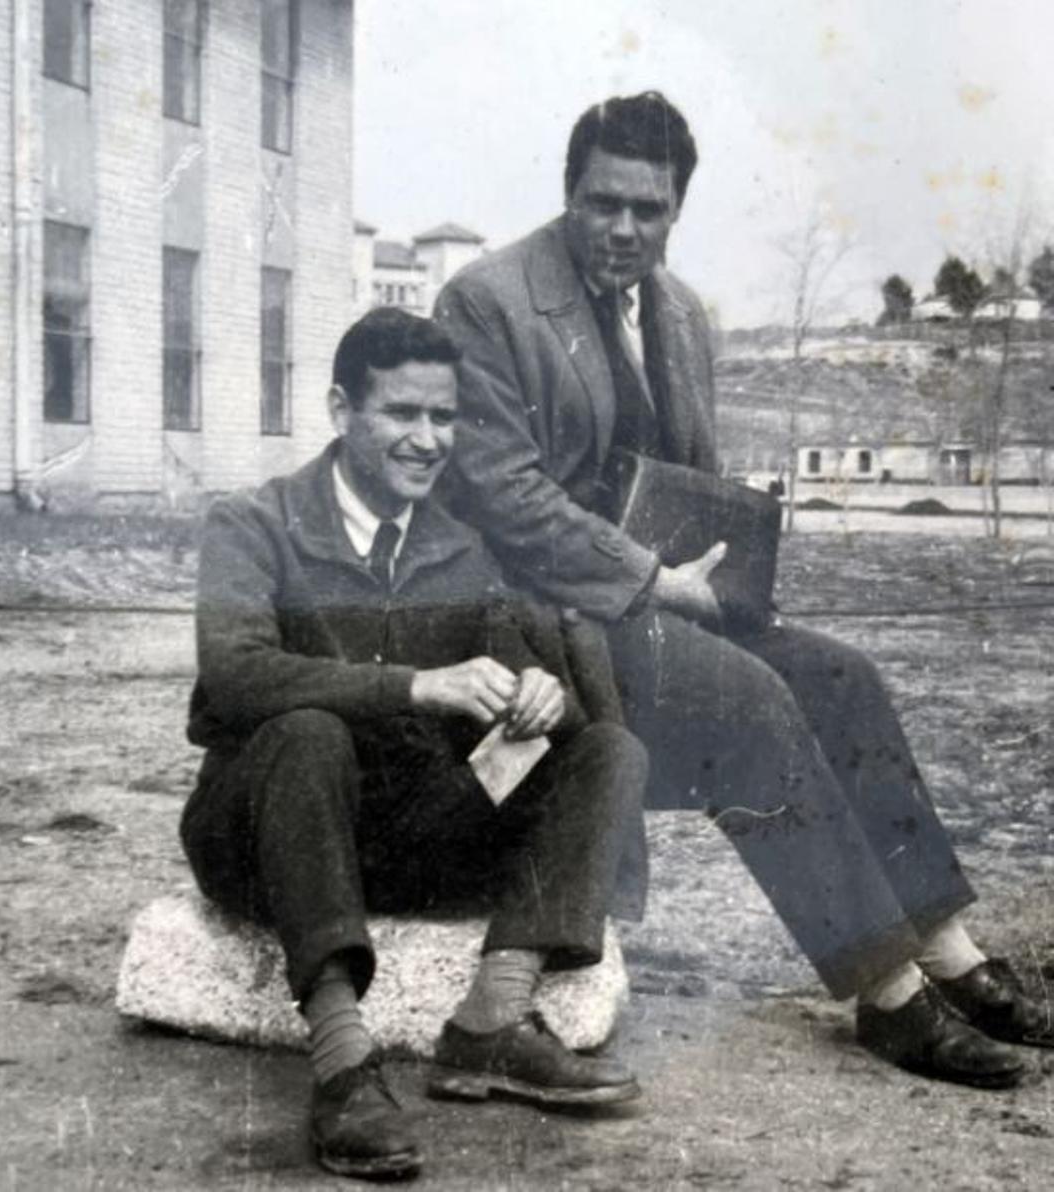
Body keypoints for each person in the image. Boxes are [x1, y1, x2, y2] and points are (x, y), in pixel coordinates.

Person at [434, 91, 1052, 1089]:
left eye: (650, 209)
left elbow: (691, 482)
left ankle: (946, 946)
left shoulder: (680, 313)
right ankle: (886, 993)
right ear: (568, 193)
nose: (625, 230)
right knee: (750, 702)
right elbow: (502, 495)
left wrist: (729, 563)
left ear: (678, 207)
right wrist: (649, 578)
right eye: (603, 205)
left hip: (659, 605)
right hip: (539, 624)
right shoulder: (488, 302)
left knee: (840, 676)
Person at [180, 307, 650, 1181]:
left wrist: (542, 696)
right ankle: (343, 1063)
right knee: (309, 733)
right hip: (264, 832)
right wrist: (414, 685)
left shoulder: (458, 545)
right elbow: (237, 675)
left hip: (412, 838)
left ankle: (490, 1023)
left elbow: (524, 694)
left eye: (445, 418)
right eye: (403, 414)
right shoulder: (253, 524)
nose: (429, 440)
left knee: (606, 749)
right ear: (340, 410)